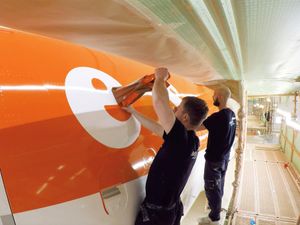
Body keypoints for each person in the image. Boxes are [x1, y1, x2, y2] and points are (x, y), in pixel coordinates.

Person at [124, 67, 209, 225]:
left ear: (184, 117)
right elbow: (158, 129)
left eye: (178, 108)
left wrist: (160, 79)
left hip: (156, 217)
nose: (174, 109)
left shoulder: (180, 139)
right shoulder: (191, 140)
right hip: (169, 211)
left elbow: (159, 102)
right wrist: (133, 112)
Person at [198, 86, 236, 225]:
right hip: (225, 158)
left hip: (214, 160)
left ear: (219, 97)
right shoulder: (231, 114)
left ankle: (215, 218)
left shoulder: (217, 117)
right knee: (219, 186)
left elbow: (196, 127)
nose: (213, 97)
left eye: (214, 95)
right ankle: (216, 211)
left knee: (211, 188)